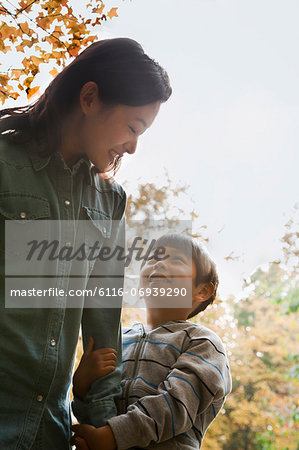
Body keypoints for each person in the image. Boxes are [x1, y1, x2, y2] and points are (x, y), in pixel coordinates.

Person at [0, 38, 171, 449]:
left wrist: (105, 431)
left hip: (49, 433)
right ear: (90, 97)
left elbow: (103, 333)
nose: (132, 146)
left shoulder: (109, 202)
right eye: (133, 127)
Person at [70, 233, 232, 449]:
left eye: (175, 260)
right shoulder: (118, 338)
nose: (159, 264)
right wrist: (81, 388)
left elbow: (177, 404)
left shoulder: (203, 343)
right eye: (153, 259)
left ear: (202, 290)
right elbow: (96, 413)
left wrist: (113, 436)